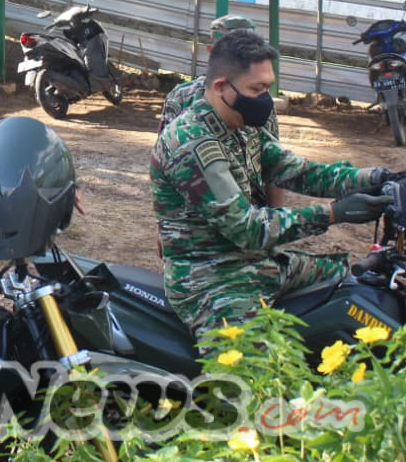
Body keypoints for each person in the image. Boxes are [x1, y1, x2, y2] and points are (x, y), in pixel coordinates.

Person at [151, 29, 391, 339]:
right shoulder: (191, 142)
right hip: (213, 281)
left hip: (261, 265)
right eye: (257, 89)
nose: (265, 99)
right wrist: (335, 213)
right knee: (258, 374)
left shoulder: (241, 126)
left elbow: (297, 171)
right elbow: (247, 229)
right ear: (222, 86)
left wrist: (374, 178)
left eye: (269, 88)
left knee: (357, 290)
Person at [160, 14, 284, 210]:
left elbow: (274, 163)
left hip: (253, 217)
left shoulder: (259, 98)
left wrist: (276, 215)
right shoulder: (181, 97)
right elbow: (166, 163)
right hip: (200, 220)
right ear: (211, 52)